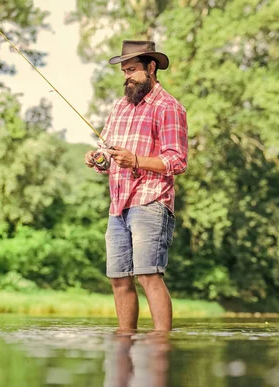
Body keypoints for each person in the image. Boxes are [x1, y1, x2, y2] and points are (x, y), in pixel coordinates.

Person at [84, 40, 188, 332]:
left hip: (151, 203)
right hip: (118, 206)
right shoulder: (119, 107)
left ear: (151, 68)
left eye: (132, 70)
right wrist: (97, 158)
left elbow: (177, 160)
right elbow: (106, 152)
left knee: (149, 275)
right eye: (124, 71)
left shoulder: (169, 107)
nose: (127, 76)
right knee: (118, 278)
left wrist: (137, 160)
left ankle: (160, 345)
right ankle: (124, 341)